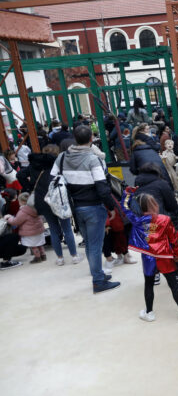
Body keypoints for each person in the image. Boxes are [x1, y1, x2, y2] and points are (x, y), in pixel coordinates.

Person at [51, 125, 120, 293]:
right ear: (91, 139)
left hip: (75, 207)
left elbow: (53, 178)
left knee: (90, 243)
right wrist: (111, 207)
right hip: (94, 206)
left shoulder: (61, 157)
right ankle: (98, 280)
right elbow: (102, 188)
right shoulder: (92, 159)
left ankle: (97, 273)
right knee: (96, 244)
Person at [123, 192, 178, 323]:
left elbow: (125, 207)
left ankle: (149, 313)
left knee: (149, 284)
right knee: (173, 284)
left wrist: (127, 194)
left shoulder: (137, 221)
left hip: (148, 257)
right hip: (164, 256)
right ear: (154, 204)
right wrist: (177, 254)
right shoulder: (165, 219)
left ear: (140, 207)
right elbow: (173, 239)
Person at [24, 145, 81, 265]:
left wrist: (29, 187)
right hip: (59, 199)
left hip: (43, 200)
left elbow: (19, 175)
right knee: (67, 229)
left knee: (54, 229)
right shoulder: (58, 163)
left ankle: (60, 258)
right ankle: (74, 256)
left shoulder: (34, 165)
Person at [3, 192, 45, 263]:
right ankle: (43, 255)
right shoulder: (35, 207)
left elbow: (15, 222)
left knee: (33, 246)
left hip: (30, 232)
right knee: (39, 243)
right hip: (38, 230)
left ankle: (37, 257)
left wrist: (8, 218)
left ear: (22, 202)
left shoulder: (23, 211)